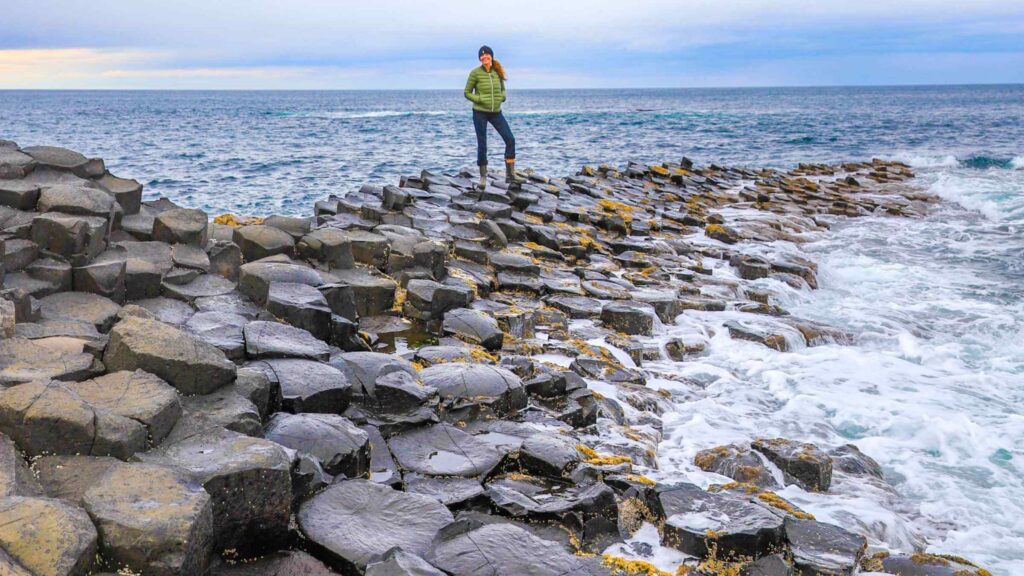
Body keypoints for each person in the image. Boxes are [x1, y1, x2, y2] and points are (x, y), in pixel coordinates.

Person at [464, 45, 524, 188]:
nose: (484, 57)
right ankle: (483, 177)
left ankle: (510, 175)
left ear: (491, 56)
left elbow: (503, 89)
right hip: (480, 113)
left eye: (487, 55)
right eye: (481, 56)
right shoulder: (475, 73)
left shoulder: (497, 72)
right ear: (480, 58)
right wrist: (479, 99)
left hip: (496, 112)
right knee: (482, 144)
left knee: (510, 139)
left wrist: (502, 98)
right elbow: (467, 92)